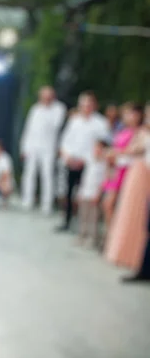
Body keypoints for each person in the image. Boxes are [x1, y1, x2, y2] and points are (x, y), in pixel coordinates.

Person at [56, 91, 110, 232]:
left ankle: (86, 225)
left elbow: (103, 144)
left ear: (94, 105)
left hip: (89, 164)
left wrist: (85, 159)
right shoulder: (74, 121)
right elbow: (65, 141)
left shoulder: (100, 123)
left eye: (88, 104)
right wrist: (67, 156)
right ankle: (66, 221)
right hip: (71, 162)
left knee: (86, 196)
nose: (85, 107)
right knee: (68, 193)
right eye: (83, 104)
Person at [20, 86, 66, 214]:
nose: (45, 98)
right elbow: (29, 128)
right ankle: (27, 200)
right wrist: (24, 147)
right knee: (29, 174)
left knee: (47, 175)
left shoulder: (58, 108)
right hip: (33, 146)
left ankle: (47, 204)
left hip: (48, 147)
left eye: (47, 95)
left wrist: (47, 107)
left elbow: (55, 126)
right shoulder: (35, 108)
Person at [101, 104, 145, 233]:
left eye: (130, 114)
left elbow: (132, 151)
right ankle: (112, 234)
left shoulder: (140, 132)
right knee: (108, 204)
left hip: (129, 170)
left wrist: (115, 152)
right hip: (117, 169)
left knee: (121, 205)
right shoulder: (122, 131)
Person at [76, 139, 108, 248]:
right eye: (95, 147)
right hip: (85, 191)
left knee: (93, 217)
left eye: (99, 148)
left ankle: (92, 238)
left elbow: (103, 181)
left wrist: (98, 194)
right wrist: (80, 191)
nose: (97, 150)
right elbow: (85, 177)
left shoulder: (104, 164)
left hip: (94, 194)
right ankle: (82, 235)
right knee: (83, 215)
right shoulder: (90, 161)